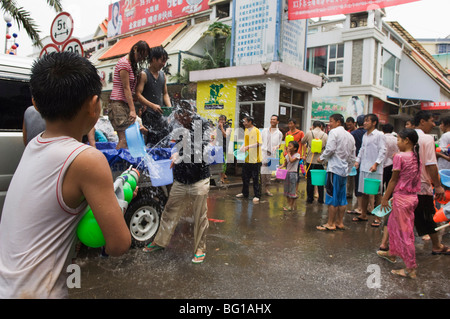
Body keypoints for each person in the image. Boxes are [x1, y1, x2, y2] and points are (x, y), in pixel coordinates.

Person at [0, 52, 131, 299]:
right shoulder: (87, 159)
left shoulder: (34, 145)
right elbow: (118, 244)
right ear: (94, 105)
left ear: (35, 104)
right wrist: (121, 201)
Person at [143, 104, 211, 264]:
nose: (178, 120)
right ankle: (159, 242)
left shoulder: (202, 124)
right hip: (181, 179)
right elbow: (167, 139)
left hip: (199, 179)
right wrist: (149, 133)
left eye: (181, 117)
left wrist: (179, 155)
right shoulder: (177, 125)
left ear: (189, 114)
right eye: (177, 117)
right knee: (169, 211)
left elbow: (197, 148)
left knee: (200, 216)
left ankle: (200, 248)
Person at [377, 129, 421, 279]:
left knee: (405, 234)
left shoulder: (400, 157)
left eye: (399, 140)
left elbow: (394, 180)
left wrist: (385, 197)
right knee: (393, 225)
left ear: (407, 140)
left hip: (402, 199)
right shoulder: (416, 156)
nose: (397, 142)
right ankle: (392, 253)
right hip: (410, 197)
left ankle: (410, 268)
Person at [413, 110, 449, 255]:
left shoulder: (405, 136)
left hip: (406, 185)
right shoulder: (427, 139)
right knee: (427, 216)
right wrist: (438, 185)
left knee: (399, 216)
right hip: (422, 185)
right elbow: (431, 164)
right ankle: (437, 245)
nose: (434, 124)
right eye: (431, 121)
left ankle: (386, 245)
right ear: (422, 121)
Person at [316, 114, 355, 231]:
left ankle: (330, 223)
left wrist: (322, 158)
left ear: (338, 122)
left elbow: (330, 149)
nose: (329, 124)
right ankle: (339, 222)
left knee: (332, 196)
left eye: (331, 121)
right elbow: (353, 157)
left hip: (334, 169)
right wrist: (348, 169)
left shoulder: (334, 133)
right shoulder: (350, 136)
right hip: (344, 171)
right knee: (342, 198)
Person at [108, 40, 150, 150]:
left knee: (129, 139)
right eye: (141, 55)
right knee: (124, 140)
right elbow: (126, 88)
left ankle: (124, 164)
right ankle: (115, 165)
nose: (141, 59)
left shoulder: (132, 65)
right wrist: (133, 110)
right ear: (135, 49)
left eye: (144, 57)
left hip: (124, 105)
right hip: (117, 105)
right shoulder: (124, 63)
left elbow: (131, 90)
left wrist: (137, 103)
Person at [353, 114, 386, 227]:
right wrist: (357, 161)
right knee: (364, 192)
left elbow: (383, 151)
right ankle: (363, 214)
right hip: (364, 167)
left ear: (374, 123)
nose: (365, 123)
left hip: (375, 169)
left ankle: (378, 217)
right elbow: (362, 149)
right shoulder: (365, 135)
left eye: (367, 121)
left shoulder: (379, 135)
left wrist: (376, 163)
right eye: (365, 121)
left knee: (377, 194)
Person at [136, 46, 172, 146]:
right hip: (148, 114)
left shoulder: (163, 75)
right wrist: (152, 106)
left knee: (164, 138)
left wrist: (169, 109)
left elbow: (165, 93)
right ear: (153, 59)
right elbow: (138, 94)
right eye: (162, 60)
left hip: (160, 114)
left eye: (165, 61)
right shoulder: (144, 74)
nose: (164, 64)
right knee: (151, 139)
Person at [236, 116, 262, 203]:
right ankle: (245, 193)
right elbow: (245, 142)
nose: (243, 123)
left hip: (255, 160)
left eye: (245, 122)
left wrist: (248, 147)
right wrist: (242, 147)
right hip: (247, 158)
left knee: (255, 178)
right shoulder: (246, 130)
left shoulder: (256, 130)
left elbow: (259, 143)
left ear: (250, 122)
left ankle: (257, 195)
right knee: (245, 177)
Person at [301, 121, 328, 203]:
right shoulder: (325, 135)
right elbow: (328, 147)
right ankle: (320, 199)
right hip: (320, 161)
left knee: (310, 180)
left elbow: (302, 142)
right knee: (320, 181)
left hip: (310, 160)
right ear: (321, 126)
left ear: (313, 126)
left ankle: (310, 198)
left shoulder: (309, 133)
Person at [346, 115, 366, 215]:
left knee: (358, 184)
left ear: (356, 123)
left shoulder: (353, 134)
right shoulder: (369, 134)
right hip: (368, 163)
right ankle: (368, 207)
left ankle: (359, 207)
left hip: (356, 161)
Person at [261, 115, 283, 196]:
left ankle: (267, 189)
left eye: (274, 119)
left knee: (269, 172)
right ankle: (261, 188)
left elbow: (279, 144)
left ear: (277, 122)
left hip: (272, 154)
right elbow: (261, 140)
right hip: (263, 153)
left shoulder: (279, 133)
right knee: (262, 172)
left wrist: (276, 147)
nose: (272, 121)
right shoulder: (264, 130)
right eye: (271, 119)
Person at [280, 141, 301, 211]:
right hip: (287, 173)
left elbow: (291, 160)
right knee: (287, 190)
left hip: (293, 174)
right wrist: (280, 167)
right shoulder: (287, 156)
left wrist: (288, 153)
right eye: (288, 146)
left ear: (295, 148)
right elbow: (285, 164)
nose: (288, 147)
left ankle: (290, 206)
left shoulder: (297, 155)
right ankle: (289, 204)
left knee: (292, 190)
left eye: (290, 146)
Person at [217, 114, 232, 184]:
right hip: (218, 147)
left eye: (222, 120)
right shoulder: (218, 127)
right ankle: (223, 174)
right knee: (219, 162)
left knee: (223, 163)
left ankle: (222, 177)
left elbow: (225, 135)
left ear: (225, 121)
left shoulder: (228, 127)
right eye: (220, 119)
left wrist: (222, 127)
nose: (221, 121)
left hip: (224, 147)